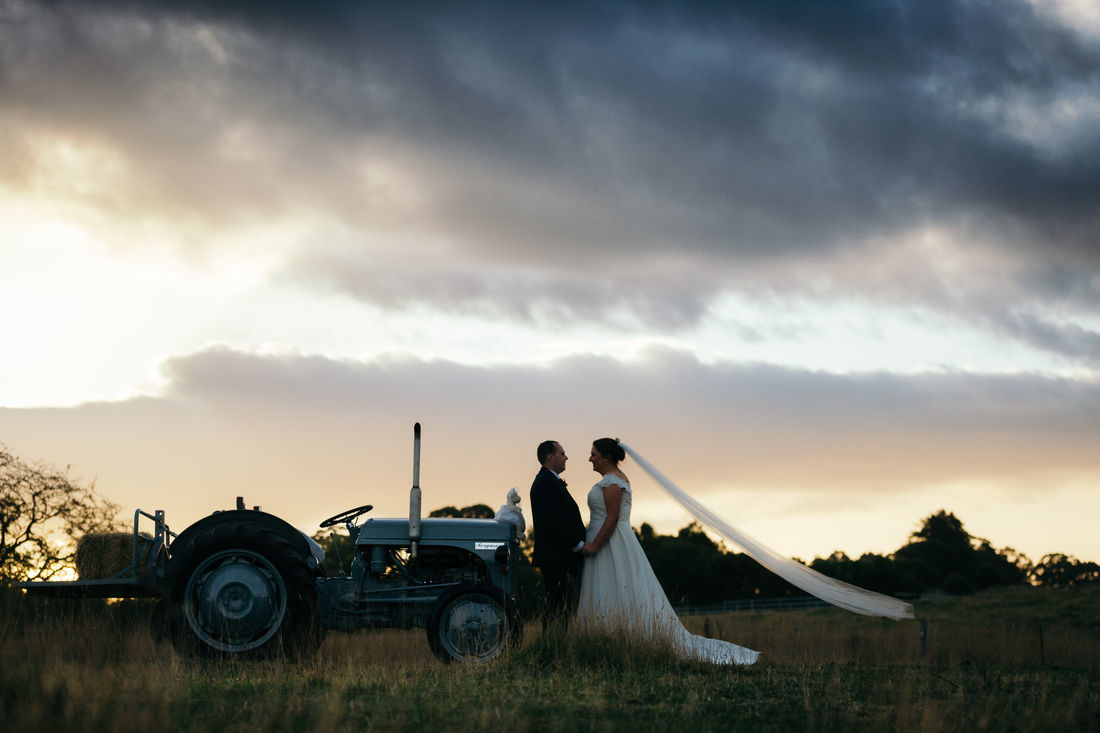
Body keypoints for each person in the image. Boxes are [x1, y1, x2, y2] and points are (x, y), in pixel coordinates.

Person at [578, 437, 760, 665]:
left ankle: (623, 640)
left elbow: (613, 518)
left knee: (617, 583)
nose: (590, 459)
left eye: (594, 454)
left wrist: (595, 544)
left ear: (606, 457)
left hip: (612, 544)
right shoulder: (611, 480)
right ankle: (607, 640)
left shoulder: (613, 482)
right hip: (610, 542)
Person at [529, 440, 587, 630]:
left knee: (561, 605)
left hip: (559, 556)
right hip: (556, 556)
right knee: (557, 606)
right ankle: (552, 643)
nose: (566, 457)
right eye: (562, 454)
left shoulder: (550, 481)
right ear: (550, 457)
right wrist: (578, 545)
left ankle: (555, 642)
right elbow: (555, 520)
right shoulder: (545, 483)